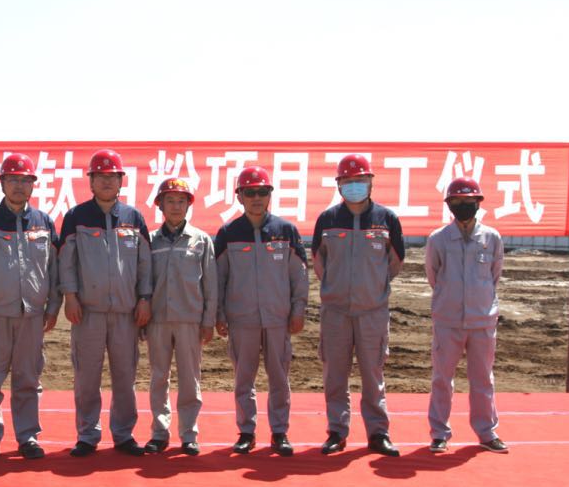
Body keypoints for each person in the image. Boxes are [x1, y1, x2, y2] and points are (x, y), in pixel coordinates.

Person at [0, 153, 61, 460]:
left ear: (33, 185)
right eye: (13, 180)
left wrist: (53, 307)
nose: (19, 186)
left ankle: (28, 436)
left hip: (32, 316)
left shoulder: (44, 222)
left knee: (28, 380)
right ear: (2, 184)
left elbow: (54, 270)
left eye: (25, 180)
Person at [58, 148, 152, 457]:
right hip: (88, 313)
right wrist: (70, 296)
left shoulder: (133, 218)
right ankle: (87, 435)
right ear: (91, 182)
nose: (107, 182)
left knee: (125, 377)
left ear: (121, 181)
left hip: (126, 313)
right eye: (100, 176)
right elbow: (66, 262)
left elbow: (144, 265)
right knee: (87, 377)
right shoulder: (76, 217)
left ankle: (123, 434)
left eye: (112, 176)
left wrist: (144, 299)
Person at [311, 154, 404, 457]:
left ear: (370, 182)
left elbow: (394, 262)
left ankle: (378, 433)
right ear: (339, 184)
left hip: (372, 313)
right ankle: (337, 432)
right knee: (335, 376)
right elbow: (319, 262)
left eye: (360, 180)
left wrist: (371, 288)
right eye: (348, 181)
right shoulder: (327, 220)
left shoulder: (386, 219)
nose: (354, 186)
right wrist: (337, 289)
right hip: (335, 313)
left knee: (373, 376)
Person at [214, 167, 309, 456]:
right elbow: (219, 278)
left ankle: (279, 432)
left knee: (279, 377)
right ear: (239, 197)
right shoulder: (228, 233)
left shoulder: (286, 231)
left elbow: (299, 275)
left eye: (262, 192)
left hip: (278, 319)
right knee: (244, 378)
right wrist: (219, 314)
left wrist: (298, 309)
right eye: (250, 192)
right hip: (242, 320)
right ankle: (246, 432)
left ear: (270, 195)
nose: (256, 197)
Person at [425, 177, 508, 454]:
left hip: (482, 320)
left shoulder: (491, 238)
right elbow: (434, 276)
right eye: (457, 201)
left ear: (478, 203)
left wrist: (479, 303)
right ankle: (439, 433)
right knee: (442, 379)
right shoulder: (437, 239)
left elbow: (494, 276)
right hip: (448, 320)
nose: (463, 206)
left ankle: (486, 432)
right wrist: (450, 300)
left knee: (483, 379)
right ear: (449, 204)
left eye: (469, 201)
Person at [144, 177, 217, 456]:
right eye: (170, 201)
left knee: (190, 379)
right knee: (158, 378)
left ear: (189, 205)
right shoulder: (150, 241)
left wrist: (208, 320)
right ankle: (159, 433)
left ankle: (189, 434)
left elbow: (210, 285)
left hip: (190, 320)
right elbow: (143, 281)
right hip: (157, 321)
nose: (176, 206)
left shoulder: (201, 240)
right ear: (160, 205)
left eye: (181, 201)